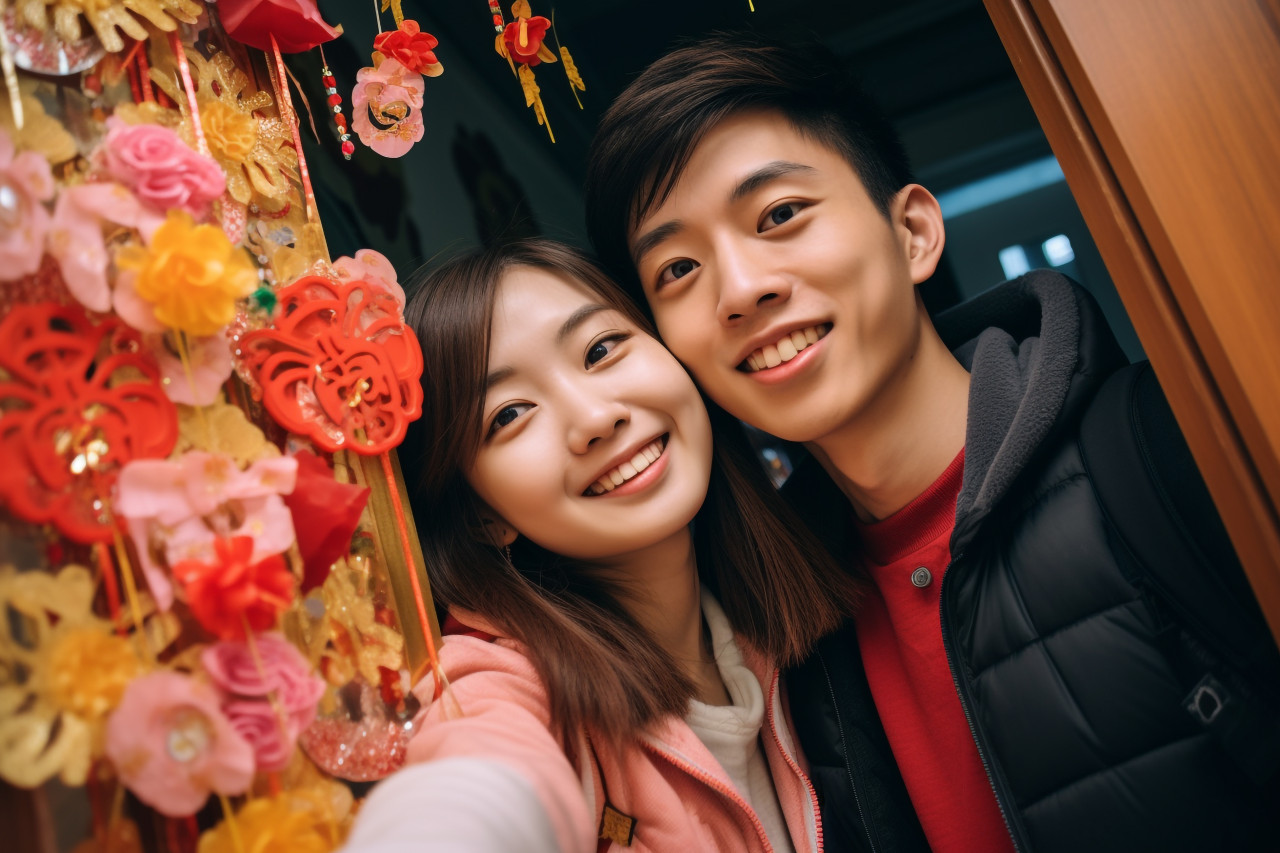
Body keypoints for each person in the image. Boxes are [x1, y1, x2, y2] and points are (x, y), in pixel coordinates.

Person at [583, 34, 1280, 853]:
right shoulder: (777, 636)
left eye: (779, 215)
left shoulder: (1168, 450)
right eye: (677, 270)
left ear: (912, 231)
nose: (740, 289)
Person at [340, 240, 863, 853]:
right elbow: (474, 791)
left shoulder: (798, 629)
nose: (595, 418)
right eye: (509, 414)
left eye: (600, 349)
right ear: (483, 517)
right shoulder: (500, 690)